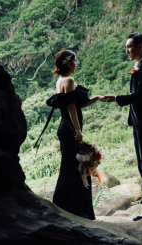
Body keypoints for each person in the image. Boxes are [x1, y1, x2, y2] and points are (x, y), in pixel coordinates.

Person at [102, 32, 142, 221]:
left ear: (140, 47)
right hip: (140, 121)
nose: (127, 50)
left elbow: (141, 95)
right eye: (126, 47)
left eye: (129, 46)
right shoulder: (140, 65)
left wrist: (116, 99)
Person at [47, 50, 103, 220]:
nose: (76, 64)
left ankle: (70, 205)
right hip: (70, 129)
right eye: (75, 61)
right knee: (76, 168)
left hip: (65, 128)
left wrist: (97, 98)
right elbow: (71, 108)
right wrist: (78, 131)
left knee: (73, 167)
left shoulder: (61, 80)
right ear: (68, 63)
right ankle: (72, 206)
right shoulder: (69, 80)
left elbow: (78, 106)